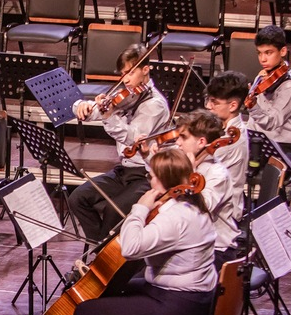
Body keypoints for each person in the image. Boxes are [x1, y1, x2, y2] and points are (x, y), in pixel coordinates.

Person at [36, 148, 217, 315]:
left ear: (166, 182)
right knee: (116, 292)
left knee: (86, 313)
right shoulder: (192, 206)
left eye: (152, 176)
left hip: (179, 304)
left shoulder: (175, 216)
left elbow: (130, 248)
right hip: (193, 298)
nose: (149, 180)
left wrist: (140, 208)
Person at [67, 45, 170, 244]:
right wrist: (82, 106)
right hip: (124, 171)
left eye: (131, 72)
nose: (126, 80)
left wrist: (108, 115)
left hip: (145, 174)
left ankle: (102, 257)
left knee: (112, 213)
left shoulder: (154, 105)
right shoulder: (128, 95)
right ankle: (99, 250)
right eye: (123, 74)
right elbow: (98, 110)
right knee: (78, 198)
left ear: (145, 69)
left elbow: (132, 137)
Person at [172, 109, 240, 265]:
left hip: (216, 250)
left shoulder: (217, 174)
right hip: (190, 244)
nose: (177, 143)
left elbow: (202, 210)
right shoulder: (189, 163)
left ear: (201, 142)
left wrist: (190, 174)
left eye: (183, 137)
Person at [245, 26, 291, 169]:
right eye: (259, 53)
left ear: (283, 51)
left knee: (264, 169)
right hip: (262, 142)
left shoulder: (290, 86)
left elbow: (272, 123)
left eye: (269, 53)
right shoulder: (262, 77)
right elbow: (254, 122)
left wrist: (254, 105)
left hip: (286, 146)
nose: (263, 59)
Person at [203, 70, 250, 193]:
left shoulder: (231, 140)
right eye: (208, 99)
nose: (208, 106)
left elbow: (191, 165)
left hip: (221, 205)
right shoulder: (220, 128)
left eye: (214, 102)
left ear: (233, 106)